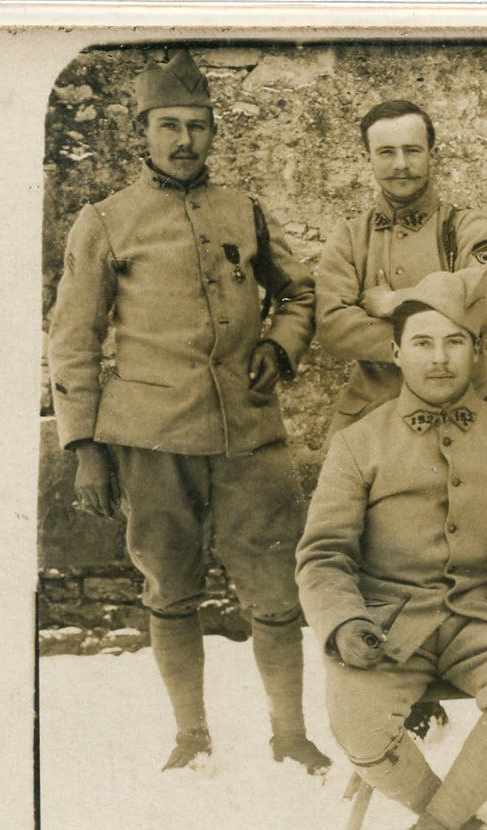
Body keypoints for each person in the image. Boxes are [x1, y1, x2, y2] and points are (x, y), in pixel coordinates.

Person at [47, 50, 331, 774]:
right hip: (152, 441)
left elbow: (298, 293)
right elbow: (73, 335)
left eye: (197, 126)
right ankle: (191, 734)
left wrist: (281, 344)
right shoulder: (106, 221)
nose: (184, 141)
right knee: (169, 588)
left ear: (212, 132)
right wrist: (83, 445)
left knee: (273, 591)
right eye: (168, 125)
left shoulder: (245, 210)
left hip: (250, 437)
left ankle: (290, 732)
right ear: (140, 130)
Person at [296, 267, 487, 830]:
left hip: (485, 618)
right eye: (423, 343)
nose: (440, 359)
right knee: (354, 721)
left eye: (455, 342)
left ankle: (436, 828)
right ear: (395, 353)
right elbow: (322, 553)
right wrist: (343, 623)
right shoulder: (359, 441)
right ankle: (450, 814)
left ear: (475, 350)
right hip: (387, 623)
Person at [315, 100, 487, 434]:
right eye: (386, 152)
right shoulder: (350, 236)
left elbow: (482, 297)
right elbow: (334, 326)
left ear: (432, 154)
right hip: (372, 414)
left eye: (412, 150)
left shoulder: (467, 227)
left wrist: (396, 301)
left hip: (463, 412)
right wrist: (439, 330)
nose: (401, 164)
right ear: (368, 158)